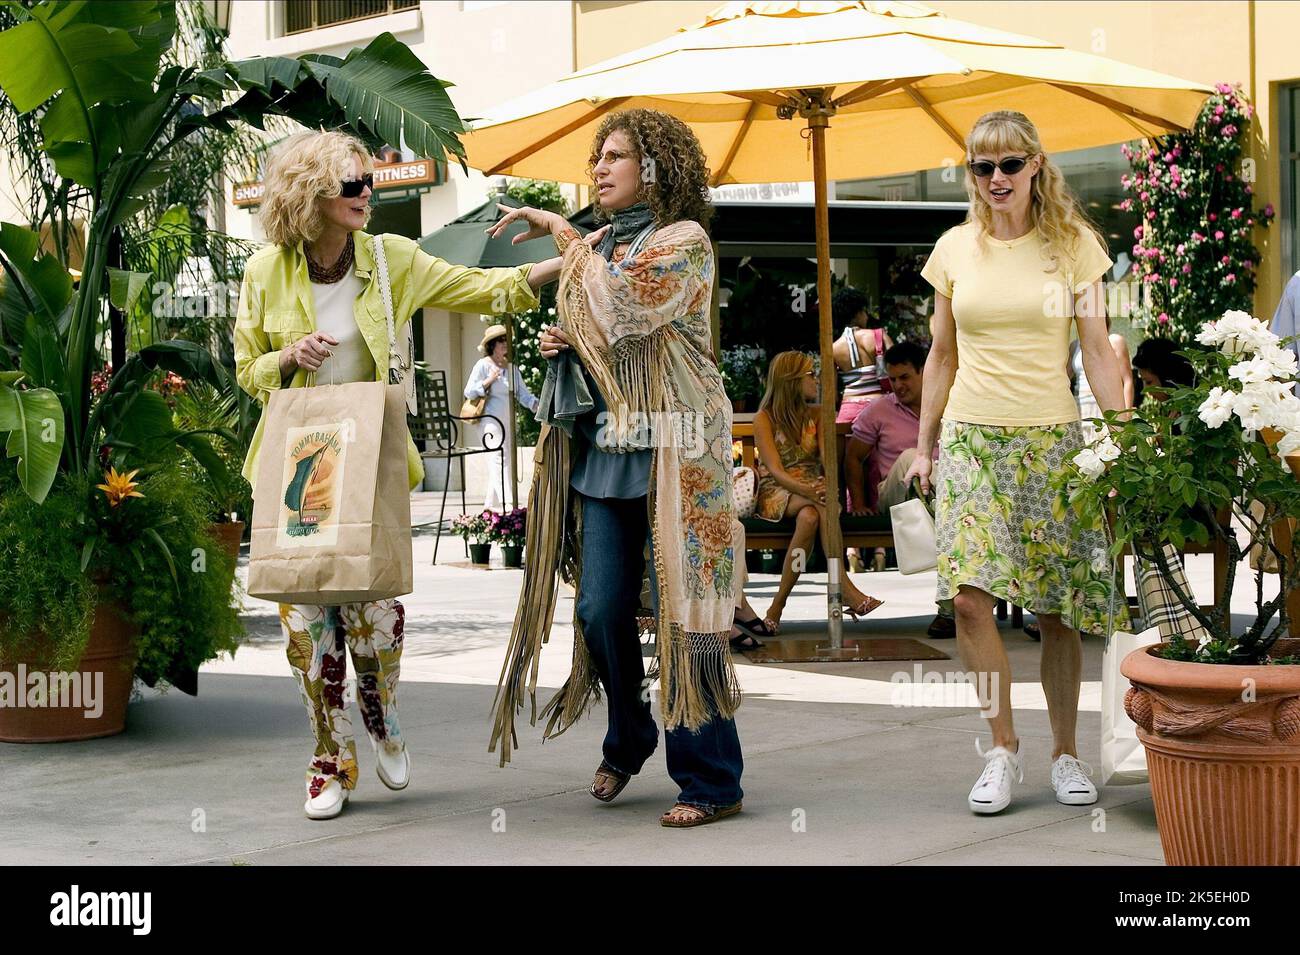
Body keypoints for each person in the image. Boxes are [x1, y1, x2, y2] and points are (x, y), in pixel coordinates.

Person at [234, 130, 566, 821]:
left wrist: (559, 261)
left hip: (372, 459)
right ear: (312, 195)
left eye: (370, 183)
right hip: (299, 462)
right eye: (352, 185)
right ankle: (328, 759)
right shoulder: (265, 272)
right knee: (307, 625)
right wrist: (289, 355)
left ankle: (381, 719)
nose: (366, 195)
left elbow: (481, 287)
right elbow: (246, 372)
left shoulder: (392, 261)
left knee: (375, 619)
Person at [489, 108, 746, 828]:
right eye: (596, 157)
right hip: (608, 448)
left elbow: (627, 303)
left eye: (617, 157)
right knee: (600, 606)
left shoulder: (684, 242)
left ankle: (711, 775)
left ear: (655, 169)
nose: (599, 168)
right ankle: (631, 729)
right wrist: (562, 344)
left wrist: (562, 233)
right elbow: (599, 320)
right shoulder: (599, 244)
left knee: (683, 613)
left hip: (677, 446)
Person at [905, 109, 1128, 816]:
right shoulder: (952, 250)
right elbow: (941, 353)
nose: (995, 178)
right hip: (972, 436)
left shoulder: (1077, 249)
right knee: (969, 598)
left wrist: (1121, 433)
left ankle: (1065, 751)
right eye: (981, 166)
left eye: (1009, 164)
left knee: (1055, 610)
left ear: (1035, 164)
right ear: (970, 173)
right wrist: (924, 440)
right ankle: (1002, 747)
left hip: (1051, 441)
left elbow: (1097, 350)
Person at [751, 351, 885, 634]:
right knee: (818, 507)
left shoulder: (818, 414)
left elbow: (827, 461)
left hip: (811, 492)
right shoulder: (764, 418)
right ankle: (844, 587)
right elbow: (775, 471)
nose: (817, 380)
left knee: (811, 518)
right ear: (791, 381)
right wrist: (812, 492)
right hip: (777, 491)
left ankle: (777, 607)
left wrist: (825, 486)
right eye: (810, 375)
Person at [844, 341, 954, 638]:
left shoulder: (949, 405)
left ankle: (950, 608)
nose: (897, 385)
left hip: (940, 495)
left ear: (924, 372)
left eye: (905, 377)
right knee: (913, 458)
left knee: (945, 487)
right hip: (896, 497)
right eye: (892, 379)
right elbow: (853, 457)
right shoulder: (879, 411)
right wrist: (859, 504)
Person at [463, 324, 539, 512]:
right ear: (492, 345)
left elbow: (524, 394)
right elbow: (468, 391)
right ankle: (509, 504)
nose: (505, 343)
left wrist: (538, 406)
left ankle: (490, 507)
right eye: (501, 340)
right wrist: (489, 380)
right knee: (498, 458)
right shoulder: (483, 365)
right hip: (489, 421)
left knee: (504, 460)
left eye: (506, 340)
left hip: (507, 421)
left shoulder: (511, 368)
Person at [832, 286, 894, 424]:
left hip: (848, 408)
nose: (866, 316)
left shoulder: (833, 348)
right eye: (865, 311)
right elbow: (898, 367)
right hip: (879, 405)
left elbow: (832, 392)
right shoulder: (879, 336)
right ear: (858, 313)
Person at [1069, 319, 1133, 440]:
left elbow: (1127, 380)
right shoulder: (1075, 346)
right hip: (1081, 408)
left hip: (1106, 405)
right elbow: (1064, 379)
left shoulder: (1114, 341)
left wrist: (1126, 415)